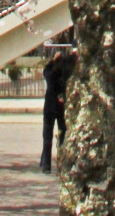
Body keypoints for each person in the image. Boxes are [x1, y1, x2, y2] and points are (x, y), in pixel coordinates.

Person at [39, 45, 73, 173]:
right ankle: (53, 164)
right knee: (54, 136)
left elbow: (49, 73)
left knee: (54, 136)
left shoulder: (56, 71)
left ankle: (53, 163)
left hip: (54, 106)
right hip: (56, 107)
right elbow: (52, 77)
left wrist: (56, 62)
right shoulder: (56, 71)